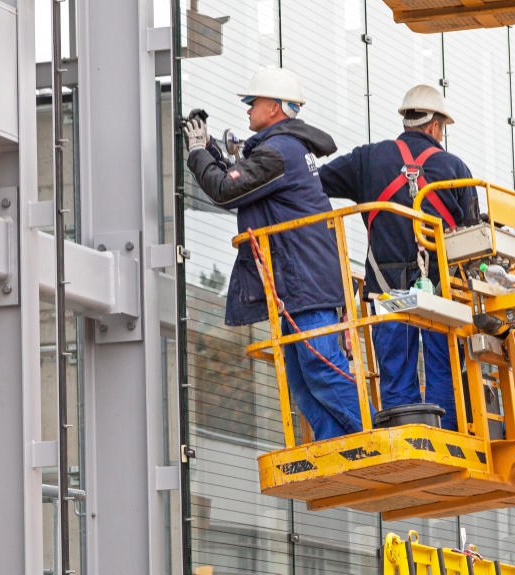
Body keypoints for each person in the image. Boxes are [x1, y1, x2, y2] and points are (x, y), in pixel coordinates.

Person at [183, 68, 368, 441]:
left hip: (306, 283)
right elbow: (240, 183)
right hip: (296, 285)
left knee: (321, 369)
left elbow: (223, 189)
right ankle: (339, 445)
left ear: (275, 108)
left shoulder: (281, 152)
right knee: (301, 380)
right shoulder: (282, 152)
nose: (248, 110)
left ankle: (372, 434)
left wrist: (198, 153)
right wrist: (213, 154)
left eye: (253, 103)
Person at [318, 85, 478, 432]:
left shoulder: (368, 159)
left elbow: (313, 182)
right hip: (441, 293)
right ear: (436, 126)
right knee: (444, 369)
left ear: (407, 120)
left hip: (386, 290)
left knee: (395, 370)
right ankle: (447, 440)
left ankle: (405, 443)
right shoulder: (456, 169)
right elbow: (472, 242)